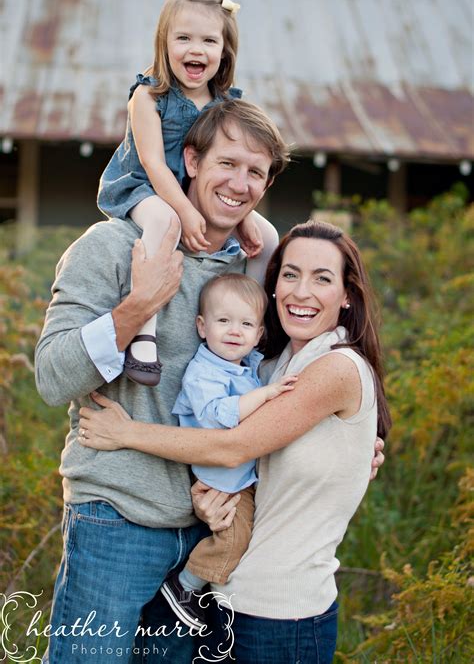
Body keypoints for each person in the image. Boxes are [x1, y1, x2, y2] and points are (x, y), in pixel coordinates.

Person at [34, 98, 293, 664]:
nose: (240, 183)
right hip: (115, 521)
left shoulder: (249, 272)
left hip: (209, 531)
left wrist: (348, 438)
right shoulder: (109, 247)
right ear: (192, 159)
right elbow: (52, 377)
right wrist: (138, 305)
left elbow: (277, 381)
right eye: (228, 163)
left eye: (256, 172)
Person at [78, 219, 391, 664]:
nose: (301, 292)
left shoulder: (336, 368)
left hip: (284, 616)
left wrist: (126, 433)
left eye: (322, 279)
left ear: (346, 296)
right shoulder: (273, 366)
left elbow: (233, 446)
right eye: (289, 274)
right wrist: (215, 504)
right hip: (229, 602)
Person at [97, 0, 279, 386]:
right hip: (144, 188)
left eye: (208, 40)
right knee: (166, 225)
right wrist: (185, 209)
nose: (195, 50)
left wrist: (243, 216)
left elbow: (231, 172)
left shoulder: (224, 105)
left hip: (191, 195)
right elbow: (154, 165)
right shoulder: (148, 97)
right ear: (164, 43)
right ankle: (144, 334)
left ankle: (251, 329)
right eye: (183, 38)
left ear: (224, 51)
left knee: (266, 236)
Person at [160, 273, 297, 630]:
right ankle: (185, 586)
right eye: (224, 321)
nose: (235, 331)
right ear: (202, 327)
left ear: (259, 334)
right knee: (234, 538)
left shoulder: (247, 364)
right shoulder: (203, 373)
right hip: (221, 476)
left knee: (247, 534)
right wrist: (265, 395)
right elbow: (218, 418)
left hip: (237, 473)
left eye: (246, 324)